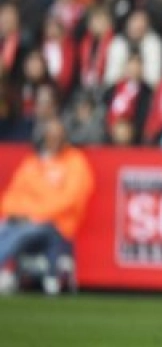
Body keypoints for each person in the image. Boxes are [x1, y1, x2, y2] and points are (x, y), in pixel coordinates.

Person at [0, 118, 95, 294]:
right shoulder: (34, 163)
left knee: (22, 233)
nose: (53, 139)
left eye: (57, 135)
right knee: (4, 227)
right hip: (26, 219)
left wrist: (33, 214)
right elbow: (11, 195)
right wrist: (16, 213)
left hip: (57, 225)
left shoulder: (75, 162)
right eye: (50, 135)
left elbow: (69, 199)